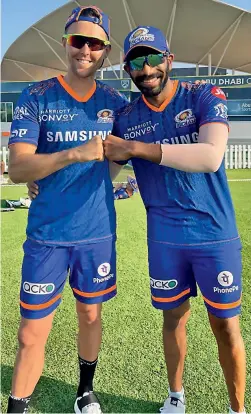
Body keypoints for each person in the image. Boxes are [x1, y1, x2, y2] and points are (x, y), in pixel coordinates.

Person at [103, 26, 246, 414]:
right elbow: (104, 174)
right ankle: (176, 396)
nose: (146, 68)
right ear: (127, 68)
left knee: (226, 326)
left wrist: (137, 149)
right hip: (165, 239)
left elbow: (210, 156)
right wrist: (44, 184)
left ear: (168, 59)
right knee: (173, 319)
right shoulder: (127, 116)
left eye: (153, 58)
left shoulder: (203, 94)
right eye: (136, 60)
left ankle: (237, 408)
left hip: (215, 234)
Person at [7, 6, 128, 414]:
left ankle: (85, 391)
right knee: (30, 334)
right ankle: (17, 407)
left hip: (96, 234)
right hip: (47, 236)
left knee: (90, 317)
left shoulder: (116, 102)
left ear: (105, 52)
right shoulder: (36, 96)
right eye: (78, 40)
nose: (85, 50)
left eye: (95, 44)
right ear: (65, 43)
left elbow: (125, 156)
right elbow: (18, 168)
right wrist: (73, 154)